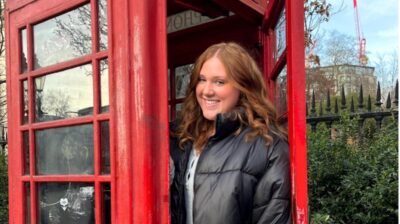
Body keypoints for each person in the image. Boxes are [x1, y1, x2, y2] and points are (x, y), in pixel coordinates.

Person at [170, 42, 291, 224]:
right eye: (202, 79)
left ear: (243, 87)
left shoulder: (268, 146)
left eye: (219, 82)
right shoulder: (182, 137)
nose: (207, 91)